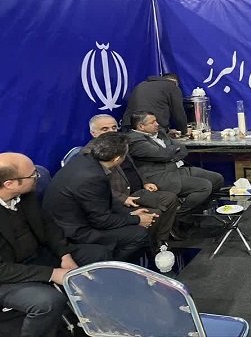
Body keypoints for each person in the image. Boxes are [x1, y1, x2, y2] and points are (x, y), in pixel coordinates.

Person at [0, 153, 109, 337]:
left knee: (98, 256)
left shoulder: (25, 194)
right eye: (33, 175)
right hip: (8, 276)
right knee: (48, 302)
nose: (38, 177)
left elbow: (48, 226)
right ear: (9, 184)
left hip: (38, 257)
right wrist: (52, 274)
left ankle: (95, 317)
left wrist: (64, 255)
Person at [44, 133, 157, 261]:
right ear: (117, 159)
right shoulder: (93, 177)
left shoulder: (87, 160)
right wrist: (137, 219)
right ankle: (112, 266)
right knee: (140, 235)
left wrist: (129, 214)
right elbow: (101, 221)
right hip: (75, 232)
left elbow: (101, 201)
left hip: (79, 218)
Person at [89, 114, 181, 244]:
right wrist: (122, 198)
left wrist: (145, 182)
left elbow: (133, 167)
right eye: (105, 129)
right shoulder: (91, 154)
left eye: (114, 128)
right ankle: (149, 245)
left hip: (136, 190)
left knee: (170, 198)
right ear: (93, 133)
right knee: (155, 213)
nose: (111, 132)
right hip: (118, 199)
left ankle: (161, 240)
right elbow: (95, 189)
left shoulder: (120, 144)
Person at [127, 111, 224, 220]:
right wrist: (171, 152)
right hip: (160, 176)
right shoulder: (135, 140)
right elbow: (163, 155)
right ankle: (179, 216)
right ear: (141, 126)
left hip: (177, 168)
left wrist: (170, 155)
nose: (157, 124)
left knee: (217, 179)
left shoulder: (160, 132)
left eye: (156, 121)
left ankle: (195, 212)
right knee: (204, 186)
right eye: (152, 122)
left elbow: (182, 149)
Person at [121, 73, 188, 136]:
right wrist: (184, 131)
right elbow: (179, 113)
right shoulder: (172, 87)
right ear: (176, 83)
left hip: (128, 126)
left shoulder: (141, 84)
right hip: (150, 129)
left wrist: (167, 131)